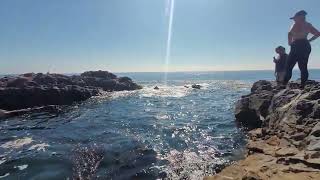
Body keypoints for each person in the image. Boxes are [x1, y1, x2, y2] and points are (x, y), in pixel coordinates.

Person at [284, 10, 320, 88]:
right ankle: (302, 85)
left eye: (294, 18)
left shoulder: (295, 24)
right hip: (305, 45)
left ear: (299, 17)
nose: (293, 19)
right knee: (303, 66)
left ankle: (284, 83)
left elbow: (289, 33)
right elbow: (318, 33)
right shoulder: (308, 25)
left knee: (289, 66)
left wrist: (290, 43)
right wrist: (309, 40)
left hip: (297, 44)